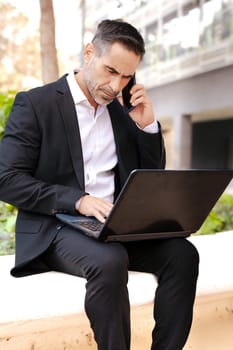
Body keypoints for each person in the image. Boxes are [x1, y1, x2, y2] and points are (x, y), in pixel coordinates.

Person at [0, 19, 199, 350]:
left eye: (126, 76)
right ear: (89, 52)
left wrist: (147, 127)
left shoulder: (122, 111)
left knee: (182, 255)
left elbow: (150, 178)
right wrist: (78, 200)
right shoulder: (36, 104)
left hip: (114, 227)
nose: (116, 85)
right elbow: (6, 179)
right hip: (57, 228)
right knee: (109, 261)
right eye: (110, 71)